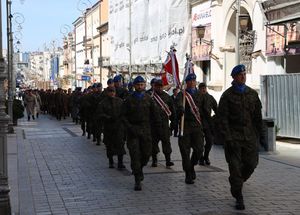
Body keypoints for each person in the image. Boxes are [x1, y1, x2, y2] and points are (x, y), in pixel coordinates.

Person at [218, 64, 262, 210]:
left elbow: (257, 117)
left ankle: (237, 182)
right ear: (234, 77)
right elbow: (222, 119)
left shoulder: (252, 94)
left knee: (251, 164)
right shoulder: (227, 95)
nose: (243, 76)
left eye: (244, 74)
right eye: (240, 74)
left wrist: (259, 135)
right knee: (235, 169)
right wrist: (228, 138)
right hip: (234, 139)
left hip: (249, 138)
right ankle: (238, 196)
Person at [122, 76, 161, 191]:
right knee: (135, 155)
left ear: (145, 85)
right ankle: (137, 180)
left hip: (146, 130)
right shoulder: (129, 100)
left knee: (146, 154)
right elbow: (123, 116)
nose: (140, 86)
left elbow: (155, 115)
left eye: (142, 84)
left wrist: (158, 129)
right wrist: (129, 127)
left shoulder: (149, 99)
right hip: (133, 131)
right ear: (134, 86)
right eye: (138, 85)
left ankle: (139, 169)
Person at [176, 73, 205, 184]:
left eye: (194, 81)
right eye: (190, 81)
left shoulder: (199, 94)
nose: (193, 82)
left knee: (199, 150)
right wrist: (180, 109)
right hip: (186, 126)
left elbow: (204, 109)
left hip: (197, 126)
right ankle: (188, 173)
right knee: (185, 152)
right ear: (187, 83)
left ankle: (192, 165)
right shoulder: (182, 95)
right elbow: (178, 104)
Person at [97, 86, 126, 168]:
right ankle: (111, 162)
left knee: (120, 145)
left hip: (119, 127)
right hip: (108, 127)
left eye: (113, 91)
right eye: (110, 91)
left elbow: (125, 112)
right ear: (107, 92)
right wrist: (108, 117)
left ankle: (120, 162)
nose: (112, 93)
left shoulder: (120, 101)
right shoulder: (103, 103)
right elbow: (99, 114)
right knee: (109, 145)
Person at [151, 79, 176, 168]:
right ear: (154, 86)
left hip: (164, 125)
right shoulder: (150, 97)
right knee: (153, 144)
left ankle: (168, 160)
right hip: (153, 125)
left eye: (161, 86)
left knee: (166, 143)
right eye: (157, 86)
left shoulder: (167, 97)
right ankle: (154, 160)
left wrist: (173, 125)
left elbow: (172, 111)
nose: (159, 88)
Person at [198, 82, 217, 165]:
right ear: (199, 89)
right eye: (201, 88)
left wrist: (217, 118)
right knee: (200, 143)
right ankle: (201, 158)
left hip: (208, 123)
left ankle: (206, 156)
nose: (203, 89)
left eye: (204, 88)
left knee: (209, 141)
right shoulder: (195, 98)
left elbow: (216, 108)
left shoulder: (210, 98)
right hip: (198, 122)